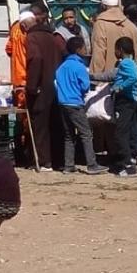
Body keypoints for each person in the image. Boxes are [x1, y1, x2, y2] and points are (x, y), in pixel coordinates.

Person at [22, 6, 65, 171]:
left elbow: (36, 58)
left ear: (25, 25)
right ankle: (58, 160)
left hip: (41, 86)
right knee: (55, 122)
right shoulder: (53, 36)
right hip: (55, 84)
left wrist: (32, 86)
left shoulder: (32, 37)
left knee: (40, 125)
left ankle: (43, 161)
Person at [54, 35, 100, 174]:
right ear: (79, 49)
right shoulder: (80, 67)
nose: (86, 49)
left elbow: (56, 84)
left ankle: (69, 165)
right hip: (75, 103)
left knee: (69, 135)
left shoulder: (61, 67)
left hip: (62, 102)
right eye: (84, 47)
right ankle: (91, 164)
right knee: (86, 133)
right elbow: (85, 86)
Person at [105, 36, 137, 176]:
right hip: (129, 101)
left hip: (125, 102)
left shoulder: (126, 63)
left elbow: (133, 77)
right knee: (127, 132)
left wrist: (120, 87)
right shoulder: (130, 62)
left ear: (120, 50)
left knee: (120, 133)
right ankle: (129, 160)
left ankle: (127, 165)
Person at [89, 0, 137, 79]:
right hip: (129, 76)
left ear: (103, 6)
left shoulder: (100, 24)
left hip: (107, 77)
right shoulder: (130, 25)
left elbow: (99, 53)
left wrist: (95, 76)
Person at [6, 9, 33, 102]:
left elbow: (8, 49)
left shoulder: (14, 28)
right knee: (27, 105)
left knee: (19, 105)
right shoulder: (29, 30)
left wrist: (15, 58)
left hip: (17, 76)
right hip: (27, 73)